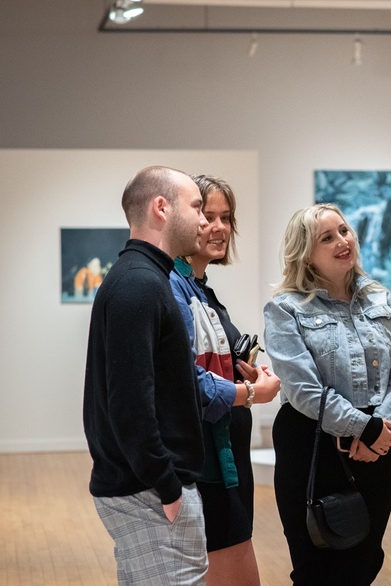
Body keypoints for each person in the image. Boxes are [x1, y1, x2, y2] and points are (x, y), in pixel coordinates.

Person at [263, 203, 391, 586]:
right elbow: (303, 389)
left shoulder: (381, 298)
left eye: (344, 231)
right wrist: (362, 428)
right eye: (326, 238)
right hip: (313, 443)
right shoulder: (285, 309)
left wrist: (381, 427)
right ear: (305, 253)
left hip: (380, 445)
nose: (342, 242)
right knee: (315, 563)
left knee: (365, 561)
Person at [83, 166, 210, 585]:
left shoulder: (143, 278)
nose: (204, 221)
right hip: (149, 495)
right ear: (161, 207)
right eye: (196, 207)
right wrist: (168, 488)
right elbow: (130, 404)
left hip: (147, 490)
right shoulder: (139, 284)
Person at [169, 174, 281, 586]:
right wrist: (250, 391)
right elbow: (185, 380)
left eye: (226, 217)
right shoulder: (175, 287)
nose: (218, 227)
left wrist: (245, 371)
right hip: (206, 463)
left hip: (225, 458)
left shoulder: (201, 290)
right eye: (206, 215)